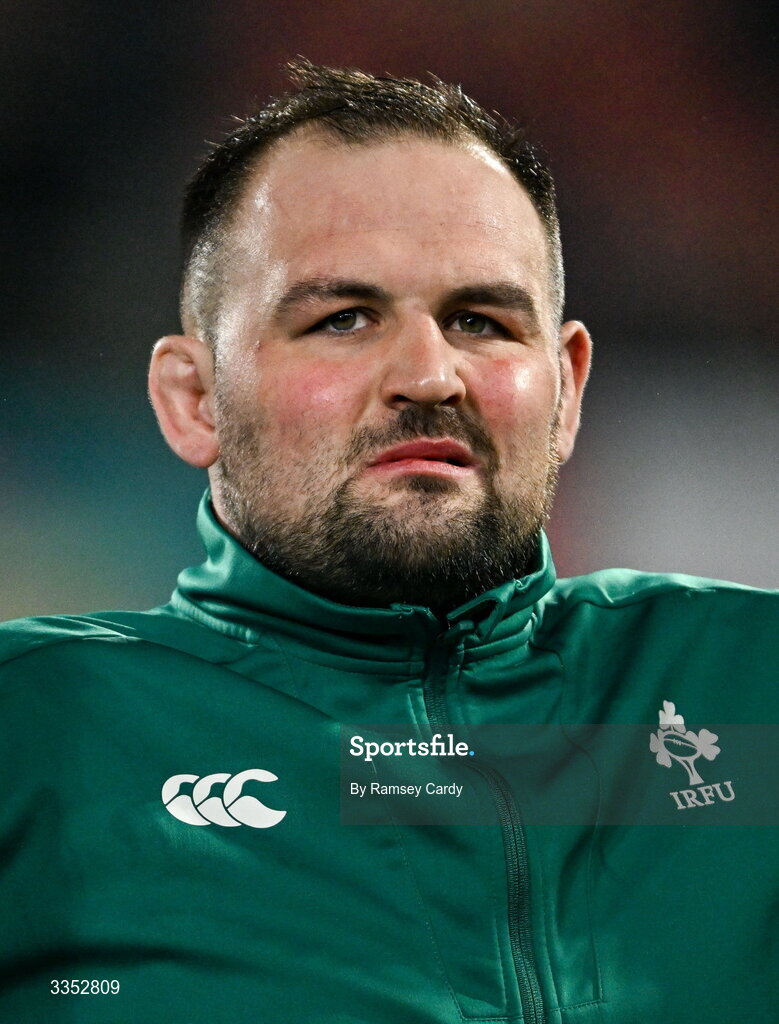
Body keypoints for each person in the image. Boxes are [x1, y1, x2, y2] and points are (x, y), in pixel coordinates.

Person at [1, 60, 776, 1024]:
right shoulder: (35, 727)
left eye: (480, 320)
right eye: (343, 318)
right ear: (194, 399)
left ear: (567, 389)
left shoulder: (751, 691)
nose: (428, 375)